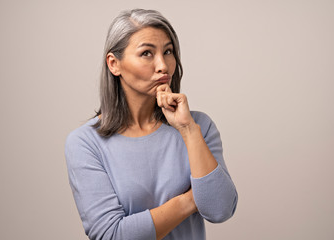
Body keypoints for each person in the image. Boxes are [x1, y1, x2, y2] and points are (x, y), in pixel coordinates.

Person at [65, 8, 238, 240]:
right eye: (147, 53)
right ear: (114, 64)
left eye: (168, 51)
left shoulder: (198, 126)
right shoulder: (85, 143)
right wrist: (189, 200)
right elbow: (111, 235)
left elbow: (220, 209)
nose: (163, 66)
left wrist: (187, 130)